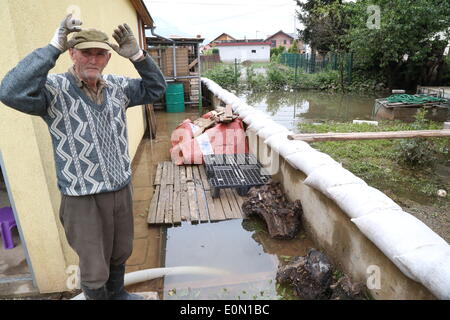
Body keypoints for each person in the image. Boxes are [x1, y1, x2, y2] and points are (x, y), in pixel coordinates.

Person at [0, 14, 167, 300]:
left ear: (107, 58)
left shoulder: (117, 87)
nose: (93, 59)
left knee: (121, 250)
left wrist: (139, 57)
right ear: (71, 53)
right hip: (82, 197)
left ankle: (118, 295)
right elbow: (10, 91)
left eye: (100, 54)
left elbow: (156, 89)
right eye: (85, 52)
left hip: (120, 189)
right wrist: (52, 46)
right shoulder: (52, 90)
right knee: (93, 265)